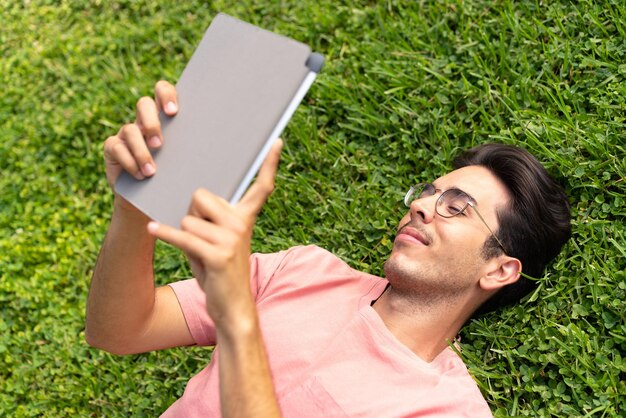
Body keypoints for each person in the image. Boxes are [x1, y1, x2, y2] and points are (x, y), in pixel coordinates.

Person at [85, 80, 571, 417]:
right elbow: (120, 331)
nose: (423, 206)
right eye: (428, 192)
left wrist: (236, 316)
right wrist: (134, 205)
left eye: (457, 208)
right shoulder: (304, 270)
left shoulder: (445, 409)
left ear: (499, 270)